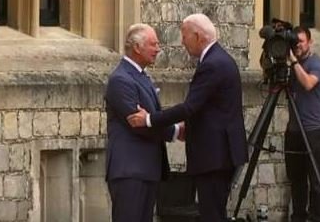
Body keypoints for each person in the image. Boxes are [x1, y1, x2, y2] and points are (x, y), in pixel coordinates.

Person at [126, 13, 248, 222]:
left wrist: (149, 120)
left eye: (184, 36)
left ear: (198, 36)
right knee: (214, 212)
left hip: (214, 155)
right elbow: (208, 107)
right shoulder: (219, 59)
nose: (182, 42)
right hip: (221, 153)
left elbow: (190, 107)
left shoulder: (212, 64)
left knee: (212, 214)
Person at [104, 23, 182, 222]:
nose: (158, 49)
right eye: (153, 44)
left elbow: (150, 119)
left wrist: (154, 120)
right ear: (137, 47)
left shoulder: (141, 76)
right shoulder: (121, 80)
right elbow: (139, 123)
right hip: (130, 170)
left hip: (146, 169)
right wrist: (175, 131)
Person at [283, 26, 320, 222]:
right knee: (296, 179)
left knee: (316, 181)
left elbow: (309, 83)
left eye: (301, 41)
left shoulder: (317, 64)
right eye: (295, 42)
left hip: (314, 130)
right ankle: (298, 217)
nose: (298, 45)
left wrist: (293, 62)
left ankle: (319, 218)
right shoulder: (291, 66)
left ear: (310, 42)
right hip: (294, 130)